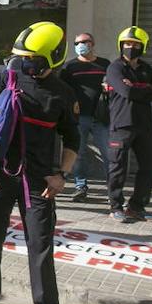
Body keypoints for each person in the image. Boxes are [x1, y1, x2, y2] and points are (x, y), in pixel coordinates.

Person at [0, 21, 78, 304]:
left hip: (39, 183)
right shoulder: (6, 79)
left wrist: (62, 176)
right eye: (22, 57)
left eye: (33, 59)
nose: (24, 64)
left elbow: (73, 139)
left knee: (41, 247)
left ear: (51, 59)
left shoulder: (62, 93)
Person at [105, 26, 152, 223]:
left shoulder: (147, 69)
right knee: (117, 167)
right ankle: (115, 206)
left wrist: (135, 87)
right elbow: (125, 91)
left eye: (135, 44)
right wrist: (142, 88)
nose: (131, 47)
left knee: (149, 165)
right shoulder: (115, 67)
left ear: (143, 46)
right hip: (121, 124)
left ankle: (136, 207)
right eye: (127, 44)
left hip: (144, 125)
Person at [59, 32, 111, 201]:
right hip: (79, 117)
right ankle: (80, 187)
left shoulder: (104, 64)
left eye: (83, 42)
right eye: (76, 43)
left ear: (92, 43)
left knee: (108, 152)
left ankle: (113, 187)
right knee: (78, 153)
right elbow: (63, 91)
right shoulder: (69, 67)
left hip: (101, 117)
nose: (80, 45)